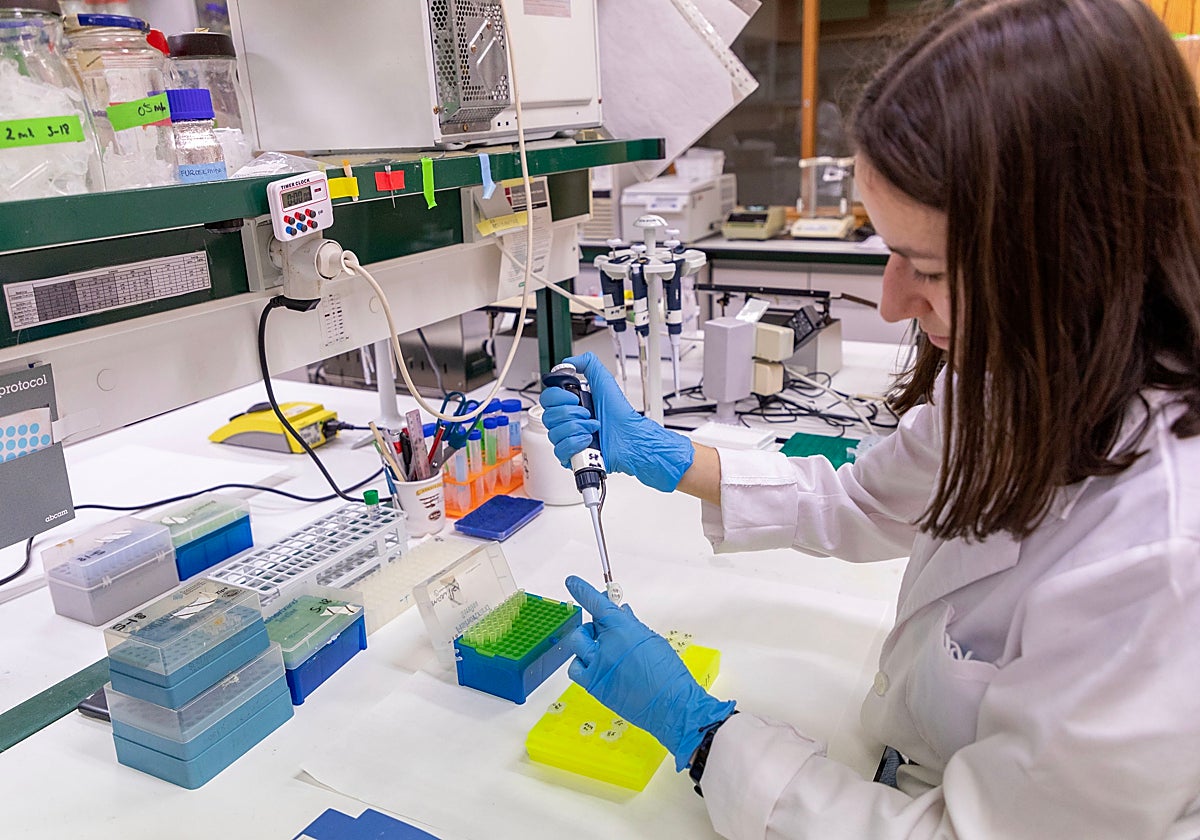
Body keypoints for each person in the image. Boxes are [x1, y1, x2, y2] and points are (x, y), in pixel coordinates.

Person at [540, 0, 1200, 837]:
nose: (890, 302)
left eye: (923, 264)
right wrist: (667, 455)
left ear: (1075, 258)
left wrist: (705, 738)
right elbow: (865, 502)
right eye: (884, 249)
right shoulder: (1022, 376)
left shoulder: (1164, 555)